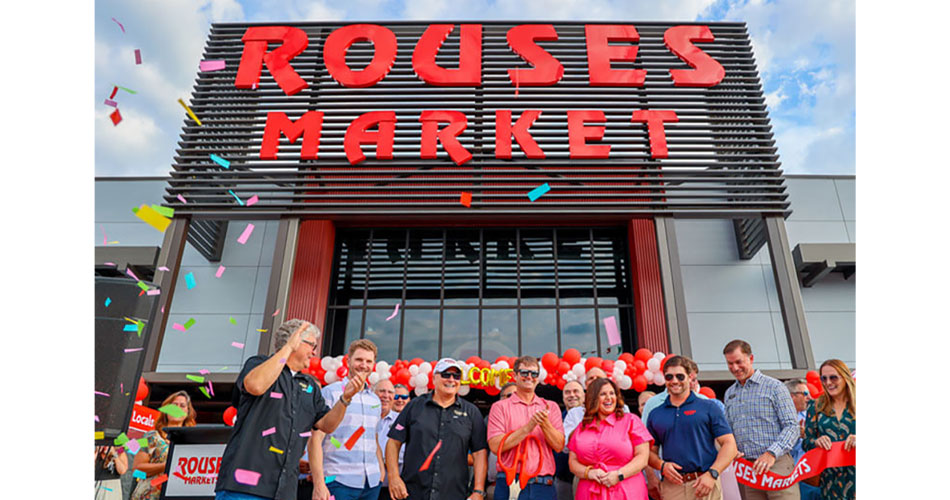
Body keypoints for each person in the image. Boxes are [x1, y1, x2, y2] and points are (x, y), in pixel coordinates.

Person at [215, 319, 366, 500]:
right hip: (244, 487)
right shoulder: (258, 364)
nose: (314, 352)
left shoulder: (309, 385)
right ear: (295, 341)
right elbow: (255, 386)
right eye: (312, 345)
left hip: (284, 491)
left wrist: (345, 399)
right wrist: (288, 348)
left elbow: (327, 425)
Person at [386, 358, 488, 500]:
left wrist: (479, 490)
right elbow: (393, 442)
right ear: (434, 378)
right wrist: (394, 477)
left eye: (456, 376)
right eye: (446, 374)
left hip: (454, 495)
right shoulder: (414, 406)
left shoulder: (472, 412)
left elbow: (480, 453)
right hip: (413, 493)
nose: (451, 379)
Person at [646, 356, 737, 500]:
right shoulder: (655, 414)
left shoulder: (708, 407)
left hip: (704, 483)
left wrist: (713, 473)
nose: (674, 381)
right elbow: (649, 452)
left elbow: (729, 444)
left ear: (690, 377)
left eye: (680, 376)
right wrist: (662, 465)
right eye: (669, 377)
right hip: (672, 487)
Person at [722, 340, 800, 500]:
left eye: (739, 362)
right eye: (730, 363)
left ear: (751, 358)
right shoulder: (729, 393)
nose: (735, 368)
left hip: (777, 465)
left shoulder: (775, 387)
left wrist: (771, 453)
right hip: (748, 471)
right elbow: (729, 430)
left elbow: (792, 427)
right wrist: (732, 449)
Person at [312, 339, 384, 500]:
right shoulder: (330, 393)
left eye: (368, 361)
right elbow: (316, 439)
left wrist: (380, 472)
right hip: (338, 481)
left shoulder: (375, 400)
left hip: (371, 483)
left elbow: (375, 439)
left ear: (373, 364)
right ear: (348, 360)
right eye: (359, 360)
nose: (363, 365)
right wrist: (319, 483)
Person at [487, 356, 565, 500]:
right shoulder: (499, 407)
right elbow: (495, 446)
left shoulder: (551, 406)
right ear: (515, 375)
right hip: (510, 482)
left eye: (534, 374)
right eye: (524, 373)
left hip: (543, 485)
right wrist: (528, 428)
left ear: (538, 378)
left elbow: (559, 446)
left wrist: (545, 425)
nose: (529, 377)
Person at [568, 378, 652, 500]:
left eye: (612, 393)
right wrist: (589, 473)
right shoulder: (582, 427)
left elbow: (643, 458)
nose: (609, 398)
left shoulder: (631, 421)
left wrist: (619, 475)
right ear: (593, 398)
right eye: (603, 394)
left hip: (625, 490)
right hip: (589, 492)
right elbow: (572, 462)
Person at [802, 360, 855, 500]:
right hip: (830, 479)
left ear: (845, 377)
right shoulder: (815, 405)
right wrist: (816, 442)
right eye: (823, 378)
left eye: (833, 377)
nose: (828, 382)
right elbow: (806, 443)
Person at [131, 390, 197, 500]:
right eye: (174, 405)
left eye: (182, 406)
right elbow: (137, 472)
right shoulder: (151, 436)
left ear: (187, 412)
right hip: (149, 496)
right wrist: (166, 465)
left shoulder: (191, 441)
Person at [783, 379, 819, 500]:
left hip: (812, 476)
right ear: (791, 396)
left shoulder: (814, 416)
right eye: (805, 394)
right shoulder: (779, 419)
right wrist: (792, 435)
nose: (809, 397)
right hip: (789, 477)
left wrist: (808, 435)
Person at [555, 380, 585, 500]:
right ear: (563, 398)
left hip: (586, 477)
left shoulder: (594, 416)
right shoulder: (556, 419)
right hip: (562, 479)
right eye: (567, 392)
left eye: (576, 391)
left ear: (584, 395)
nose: (572, 395)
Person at [375, 379, 403, 500]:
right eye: (382, 391)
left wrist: (386, 461)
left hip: (390, 489)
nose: (386, 396)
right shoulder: (363, 418)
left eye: (390, 392)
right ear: (373, 393)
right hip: (364, 487)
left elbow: (403, 453)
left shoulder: (401, 421)